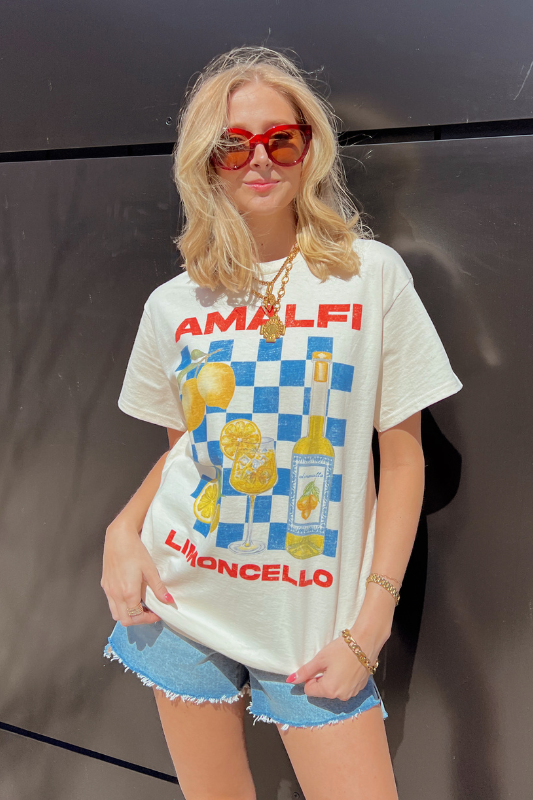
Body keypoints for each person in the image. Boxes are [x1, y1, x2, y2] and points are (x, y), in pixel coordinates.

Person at [101, 46, 463, 800]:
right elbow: (188, 451)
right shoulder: (175, 304)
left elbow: (403, 460)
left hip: (315, 626)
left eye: (280, 139)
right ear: (205, 162)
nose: (258, 159)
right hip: (181, 605)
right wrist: (121, 529)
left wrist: (371, 624)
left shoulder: (368, 276)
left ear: (309, 147)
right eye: (232, 145)